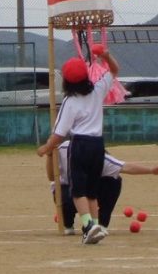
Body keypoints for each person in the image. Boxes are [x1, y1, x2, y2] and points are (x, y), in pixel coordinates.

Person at [36, 45, 120, 245]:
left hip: (80, 145)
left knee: (77, 192)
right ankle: (96, 226)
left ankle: (88, 225)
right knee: (92, 191)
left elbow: (59, 134)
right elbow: (115, 71)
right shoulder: (97, 90)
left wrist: (45, 148)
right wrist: (106, 56)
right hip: (98, 145)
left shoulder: (70, 101)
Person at [54, 140, 158, 234]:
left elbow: (126, 167)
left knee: (114, 181)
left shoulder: (100, 159)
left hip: (89, 193)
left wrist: (152, 170)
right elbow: (51, 176)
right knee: (65, 193)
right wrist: (49, 153)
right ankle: (68, 223)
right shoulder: (63, 149)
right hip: (68, 190)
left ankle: (100, 224)